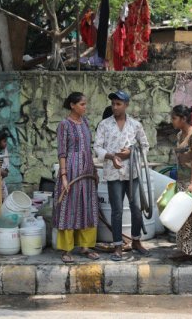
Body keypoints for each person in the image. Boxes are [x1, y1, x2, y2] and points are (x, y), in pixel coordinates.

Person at [94, 90, 150, 261]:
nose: (115, 107)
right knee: (117, 211)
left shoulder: (135, 125)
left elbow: (145, 145)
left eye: (118, 104)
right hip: (113, 174)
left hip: (132, 173)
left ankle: (136, 241)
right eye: (113, 104)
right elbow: (97, 147)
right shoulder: (104, 125)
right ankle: (118, 245)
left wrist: (132, 152)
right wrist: (112, 156)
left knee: (136, 209)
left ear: (126, 105)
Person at [54, 92, 100, 263]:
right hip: (71, 171)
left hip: (87, 171)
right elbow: (61, 152)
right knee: (69, 207)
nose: (85, 107)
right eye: (82, 104)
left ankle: (86, 247)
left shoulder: (86, 122)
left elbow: (88, 148)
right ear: (72, 105)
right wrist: (64, 176)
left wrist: (94, 171)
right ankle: (66, 249)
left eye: (85, 104)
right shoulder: (64, 125)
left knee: (87, 207)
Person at [169, 105, 192, 263]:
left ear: (183, 119)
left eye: (174, 118)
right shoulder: (179, 135)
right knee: (182, 216)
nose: (172, 121)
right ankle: (184, 249)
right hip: (182, 180)